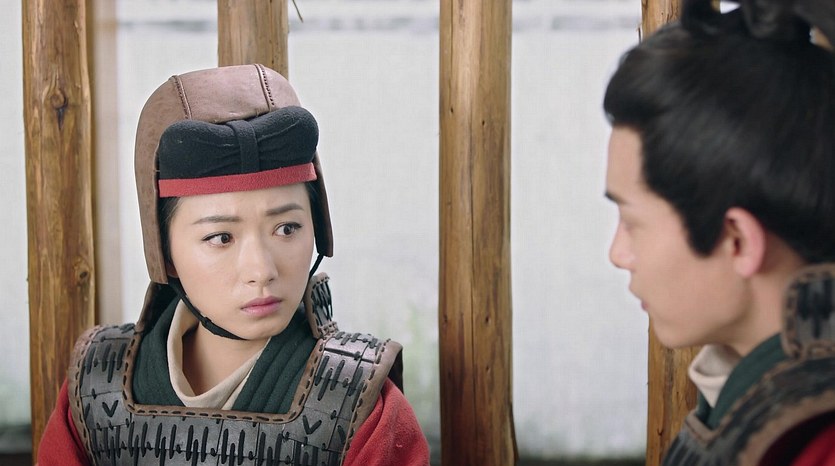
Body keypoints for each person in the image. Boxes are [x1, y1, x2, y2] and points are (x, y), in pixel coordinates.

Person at [38, 64, 430, 466]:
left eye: (287, 228)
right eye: (221, 237)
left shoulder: (364, 408)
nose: (261, 270)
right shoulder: (94, 391)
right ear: (165, 252)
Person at [603, 0, 835, 464]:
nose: (618, 253)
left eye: (632, 222)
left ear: (737, 240)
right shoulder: (748, 396)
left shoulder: (815, 447)